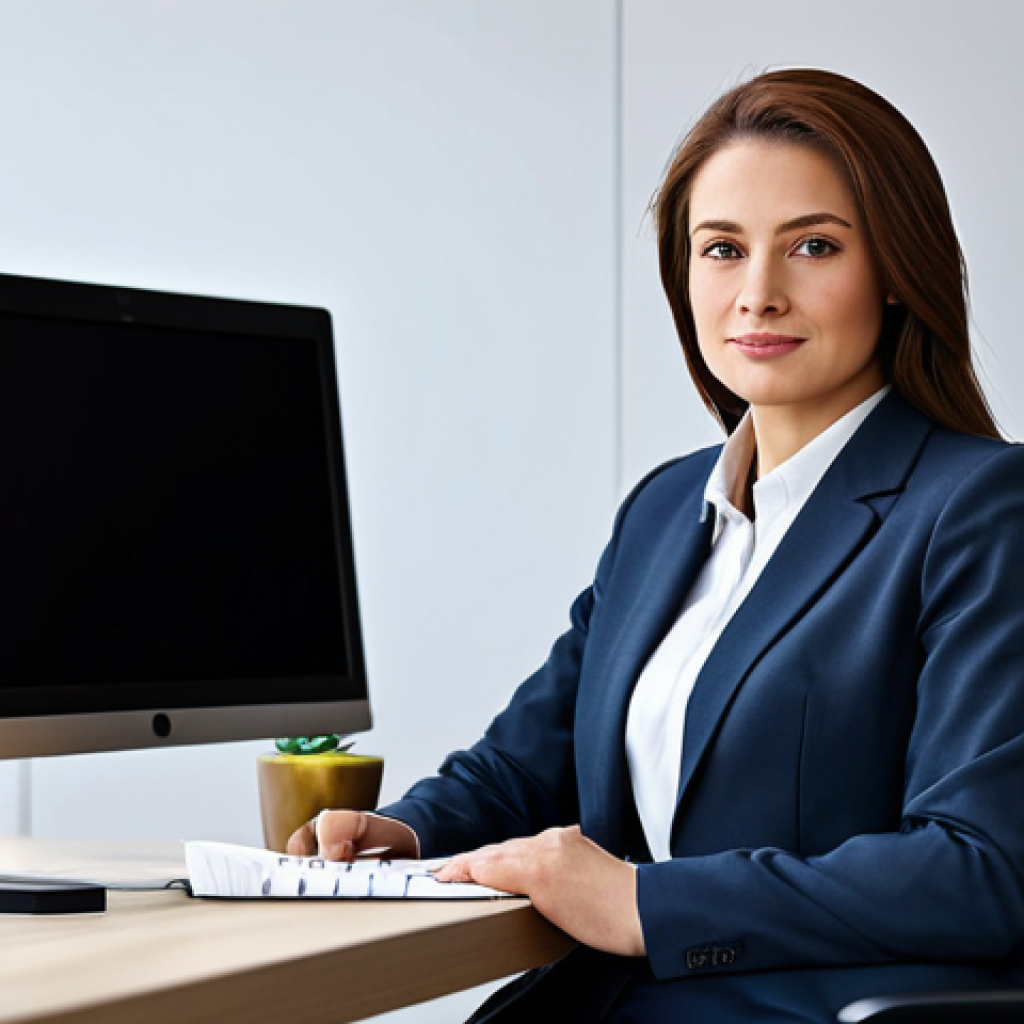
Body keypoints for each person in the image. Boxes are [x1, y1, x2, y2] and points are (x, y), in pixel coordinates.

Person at [289, 68, 1024, 1022]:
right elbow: (526, 764)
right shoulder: (668, 508)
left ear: (893, 270)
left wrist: (646, 903)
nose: (758, 294)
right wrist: (402, 830)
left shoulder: (980, 507)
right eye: (722, 249)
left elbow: (980, 868)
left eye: (812, 246)